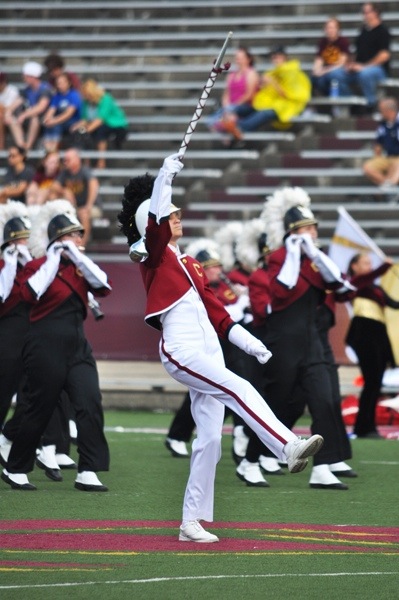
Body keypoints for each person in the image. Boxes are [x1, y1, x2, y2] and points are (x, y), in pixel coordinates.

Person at [118, 154, 324, 543]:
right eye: (170, 213)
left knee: (211, 439)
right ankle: (287, 446)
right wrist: (165, 175)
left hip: (209, 346)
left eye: (178, 212)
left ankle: (190, 521)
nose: (177, 216)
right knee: (240, 388)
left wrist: (251, 343)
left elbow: (220, 315)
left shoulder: (192, 263)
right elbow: (156, 225)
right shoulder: (155, 256)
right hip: (181, 348)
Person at [1, 200, 111, 491]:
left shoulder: (81, 267)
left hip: (77, 343)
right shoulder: (37, 265)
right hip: (44, 343)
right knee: (39, 408)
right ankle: (16, 467)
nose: (79, 239)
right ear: (60, 237)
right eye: (74, 234)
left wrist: (75, 256)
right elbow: (31, 293)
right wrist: (53, 257)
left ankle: (88, 469)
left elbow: (103, 284)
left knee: (90, 402)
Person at [258, 189, 356, 490]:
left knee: (324, 399)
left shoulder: (317, 259)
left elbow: (342, 287)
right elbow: (282, 291)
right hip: (286, 343)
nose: (314, 232)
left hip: (313, 341)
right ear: (293, 232)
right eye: (307, 228)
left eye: (314, 227)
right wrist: (291, 252)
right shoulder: (278, 258)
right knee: (279, 401)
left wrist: (313, 254)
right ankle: (255, 457)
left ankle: (322, 466)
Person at [165, 238, 252, 460]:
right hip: (208, 344)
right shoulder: (195, 289)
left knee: (227, 390)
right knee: (202, 392)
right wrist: (241, 305)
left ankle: (228, 434)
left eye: (218, 265)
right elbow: (221, 315)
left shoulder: (224, 286)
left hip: (228, 347)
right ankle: (177, 435)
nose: (218, 270)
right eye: (212, 266)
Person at [345, 253, 399, 439]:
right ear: (354, 266)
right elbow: (368, 276)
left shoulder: (375, 287)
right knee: (371, 381)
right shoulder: (355, 283)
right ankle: (364, 426)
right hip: (365, 334)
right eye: (365, 263)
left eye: (370, 263)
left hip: (378, 335)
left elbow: (394, 303)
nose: (369, 266)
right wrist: (384, 267)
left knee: (375, 382)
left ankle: (366, 425)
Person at [221, 46, 311, 142]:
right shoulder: (274, 72)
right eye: (273, 57)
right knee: (245, 108)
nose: (274, 60)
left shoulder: (292, 73)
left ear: (283, 57)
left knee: (265, 113)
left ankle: (238, 127)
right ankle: (230, 125)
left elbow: (289, 95)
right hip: (270, 103)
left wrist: (273, 83)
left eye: (276, 57)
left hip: (284, 106)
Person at [0, 201, 32, 430]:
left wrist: (26, 260)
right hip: (7, 334)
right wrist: (11, 260)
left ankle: (12, 437)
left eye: (25, 240)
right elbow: (3, 293)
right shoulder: (3, 264)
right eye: (19, 240)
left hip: (31, 335)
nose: (23, 244)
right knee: (3, 391)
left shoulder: (32, 265)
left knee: (29, 395)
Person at [344, 2, 391, 113]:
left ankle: (371, 103)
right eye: (363, 12)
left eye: (367, 12)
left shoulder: (383, 31)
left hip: (378, 69)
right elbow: (355, 52)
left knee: (365, 74)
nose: (364, 15)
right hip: (360, 67)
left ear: (375, 12)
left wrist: (364, 66)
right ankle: (352, 104)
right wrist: (350, 64)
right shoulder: (363, 32)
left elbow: (384, 55)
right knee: (338, 74)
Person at [205, 46, 259, 144]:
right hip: (231, 107)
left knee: (227, 116)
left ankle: (234, 135)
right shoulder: (232, 75)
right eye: (237, 58)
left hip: (245, 106)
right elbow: (226, 94)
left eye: (241, 58)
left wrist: (233, 106)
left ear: (248, 59)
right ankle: (229, 137)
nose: (238, 60)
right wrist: (227, 106)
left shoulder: (251, 74)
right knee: (210, 121)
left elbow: (249, 95)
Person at [70, 79, 128, 168]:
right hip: (95, 124)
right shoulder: (86, 102)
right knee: (82, 135)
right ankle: (86, 162)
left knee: (100, 132)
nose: (87, 97)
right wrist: (76, 126)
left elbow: (100, 119)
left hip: (114, 124)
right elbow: (84, 119)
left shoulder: (106, 99)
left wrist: (86, 130)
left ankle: (101, 161)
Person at [50, 147, 100, 246]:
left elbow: (94, 184)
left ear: (77, 159)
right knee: (53, 196)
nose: (65, 162)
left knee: (84, 214)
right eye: (64, 160)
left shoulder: (84, 171)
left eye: (68, 160)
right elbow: (54, 186)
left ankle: (81, 247)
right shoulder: (65, 172)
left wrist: (88, 206)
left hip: (91, 206)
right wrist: (65, 190)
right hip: (75, 207)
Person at [5, 61, 53, 151]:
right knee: (12, 119)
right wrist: (8, 112)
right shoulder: (28, 89)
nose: (24, 78)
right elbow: (17, 101)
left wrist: (24, 115)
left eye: (26, 76)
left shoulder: (45, 89)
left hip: (42, 119)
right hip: (29, 118)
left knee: (34, 118)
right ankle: (21, 145)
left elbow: (41, 107)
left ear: (33, 77)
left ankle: (28, 146)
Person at [362, 97, 399, 191]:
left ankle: (390, 189)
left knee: (396, 167)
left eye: (381, 110)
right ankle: (389, 186)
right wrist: (377, 158)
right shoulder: (383, 124)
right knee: (368, 167)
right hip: (388, 157)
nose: (380, 113)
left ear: (388, 110)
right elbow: (378, 144)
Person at [42, 73, 82, 153]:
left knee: (56, 125)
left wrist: (54, 121)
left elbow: (69, 114)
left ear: (68, 83)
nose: (60, 85)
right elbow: (51, 109)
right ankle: (47, 149)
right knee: (48, 125)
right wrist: (47, 119)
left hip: (72, 121)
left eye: (62, 83)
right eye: (58, 83)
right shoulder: (57, 96)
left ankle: (53, 150)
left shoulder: (74, 95)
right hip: (60, 120)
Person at [311, 17, 351, 97]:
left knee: (334, 75)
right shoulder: (323, 42)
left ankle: (347, 98)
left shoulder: (343, 41)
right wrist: (316, 71)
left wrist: (324, 71)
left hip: (340, 71)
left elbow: (341, 63)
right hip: (326, 71)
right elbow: (319, 60)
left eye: (332, 27)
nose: (330, 30)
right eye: (328, 28)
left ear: (338, 29)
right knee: (313, 79)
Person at [0, 72, 21, 150]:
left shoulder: (12, 90)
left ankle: (1, 146)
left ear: (4, 82)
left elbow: (8, 108)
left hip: (13, 116)